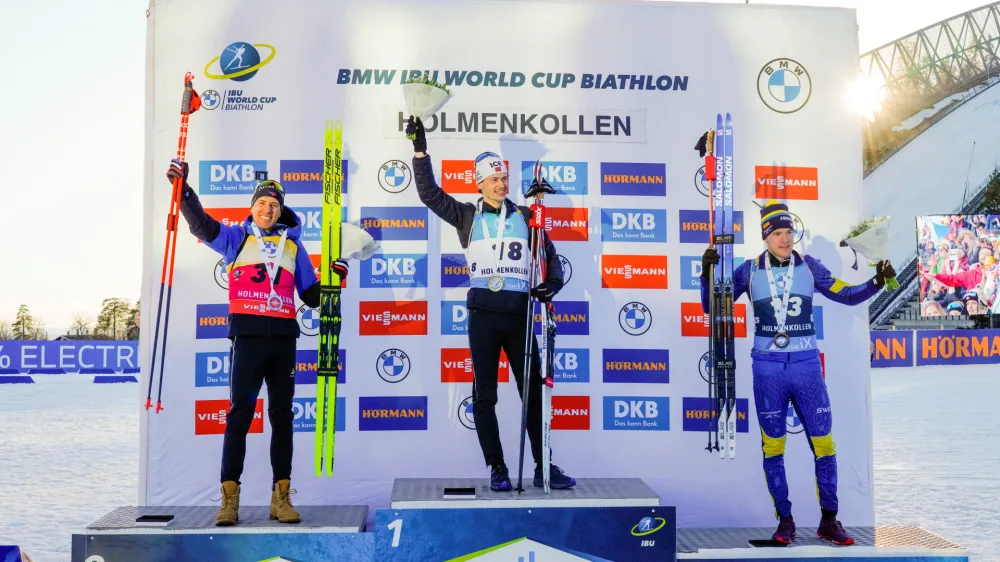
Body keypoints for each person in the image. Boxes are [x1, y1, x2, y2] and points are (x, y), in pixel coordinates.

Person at [699, 200, 894, 546]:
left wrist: (878, 280)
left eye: (788, 231)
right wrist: (707, 276)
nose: (785, 238)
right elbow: (712, 308)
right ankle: (785, 522)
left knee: (824, 444)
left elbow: (848, 295)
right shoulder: (748, 271)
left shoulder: (809, 266)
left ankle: (829, 520)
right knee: (773, 446)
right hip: (768, 369)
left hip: (806, 367)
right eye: (777, 233)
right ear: (765, 237)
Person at [167, 160, 349, 526]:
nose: (268, 210)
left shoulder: (293, 247)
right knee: (240, 416)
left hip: (282, 340)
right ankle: (229, 499)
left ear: (281, 211)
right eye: (263, 203)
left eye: (275, 205)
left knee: (282, 417)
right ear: (253, 207)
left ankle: (281, 497)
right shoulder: (236, 238)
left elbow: (311, 296)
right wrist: (184, 191)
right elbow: (201, 225)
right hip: (248, 338)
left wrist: (336, 279)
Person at [406, 116, 576, 492]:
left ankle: (543, 466)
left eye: (504, 178)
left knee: (533, 394)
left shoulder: (527, 216)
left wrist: (552, 284)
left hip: (519, 318)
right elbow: (429, 195)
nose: (501, 184)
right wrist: (420, 152)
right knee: (485, 395)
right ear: (479, 183)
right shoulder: (466, 216)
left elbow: (551, 256)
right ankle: (497, 467)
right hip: (483, 317)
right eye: (494, 179)